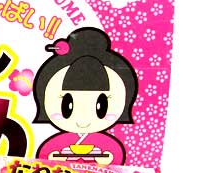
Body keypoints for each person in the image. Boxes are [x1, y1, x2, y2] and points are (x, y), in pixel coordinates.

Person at [33, 27, 137, 165]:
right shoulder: (57, 141)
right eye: (66, 106)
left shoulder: (106, 141)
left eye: (101, 108)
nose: (83, 122)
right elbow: (44, 156)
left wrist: (105, 159)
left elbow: (116, 156)